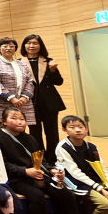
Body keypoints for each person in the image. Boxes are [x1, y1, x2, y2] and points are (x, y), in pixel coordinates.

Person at [21, 34, 66, 162]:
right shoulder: (19, 62)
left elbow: (59, 82)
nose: (31, 46)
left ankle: (53, 159)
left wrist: (53, 70)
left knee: (52, 132)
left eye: (35, 43)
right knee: (34, 133)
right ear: (24, 45)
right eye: (28, 43)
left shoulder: (48, 61)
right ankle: (39, 160)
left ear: (40, 45)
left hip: (49, 103)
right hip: (30, 102)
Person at [0, 37, 35, 141]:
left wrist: (25, 97)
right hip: (4, 102)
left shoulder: (22, 63)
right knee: (6, 132)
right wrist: (11, 98)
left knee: (21, 129)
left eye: (11, 46)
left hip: (23, 103)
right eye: (5, 46)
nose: (8, 48)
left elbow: (30, 81)